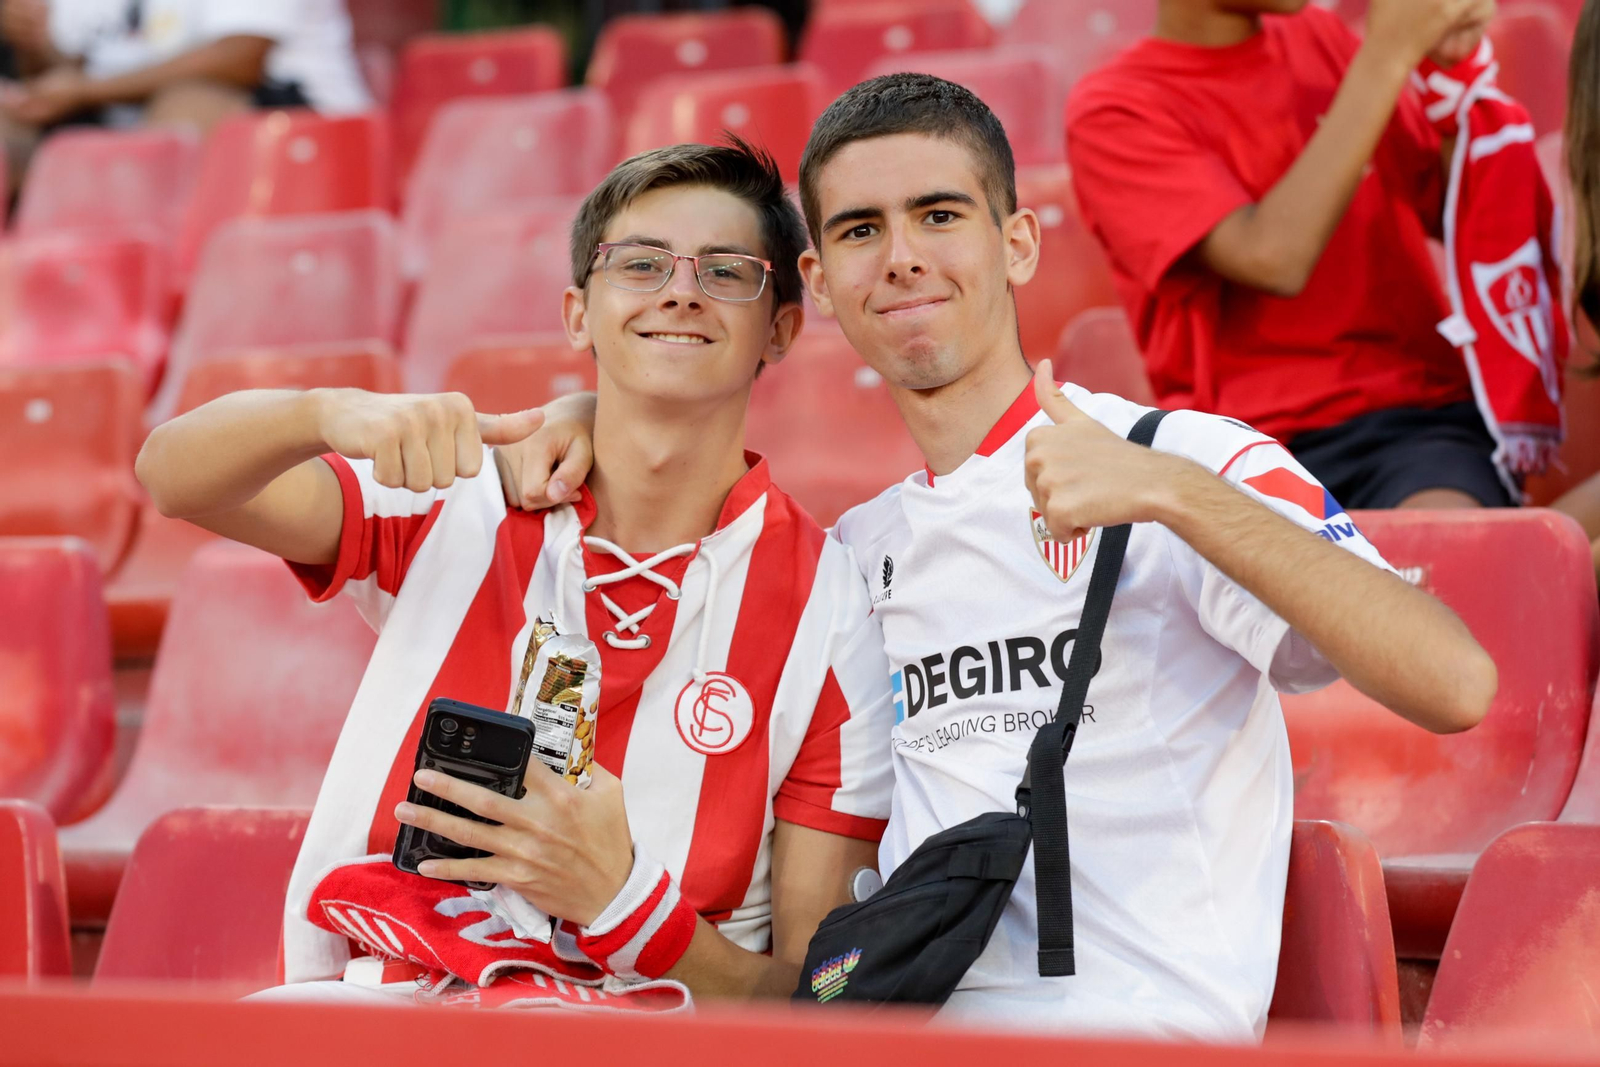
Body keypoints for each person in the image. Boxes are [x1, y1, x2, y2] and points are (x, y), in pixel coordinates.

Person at [499, 74, 1499, 1040]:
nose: (899, 257)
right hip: (909, 1033)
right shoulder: (854, 552)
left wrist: (1171, 497)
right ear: (820, 285)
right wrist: (588, 411)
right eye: (859, 230)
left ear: (1016, 243)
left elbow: (1450, 679)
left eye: (938, 215)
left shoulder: (1181, 456)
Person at [135, 140, 894, 1006]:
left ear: (783, 328)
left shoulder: (830, 607)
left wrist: (626, 907)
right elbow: (171, 475)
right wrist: (321, 411)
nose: (680, 289)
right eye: (639, 264)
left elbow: (818, 1001)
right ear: (579, 311)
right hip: (376, 1015)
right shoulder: (460, 501)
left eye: (727, 271)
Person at [1065, 0, 1514, 512]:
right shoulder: (1113, 107)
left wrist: (1454, 79)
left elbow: (1456, 209)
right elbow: (1274, 259)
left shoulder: (1320, 36)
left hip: (1416, 427)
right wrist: (1386, 56)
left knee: (1445, 544)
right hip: (1241, 454)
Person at [0, 0, 370, 175]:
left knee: (189, 108)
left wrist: (85, 90)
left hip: (301, 140)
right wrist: (30, 40)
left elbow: (240, 59)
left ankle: (154, 272)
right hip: (123, 132)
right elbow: (68, 66)